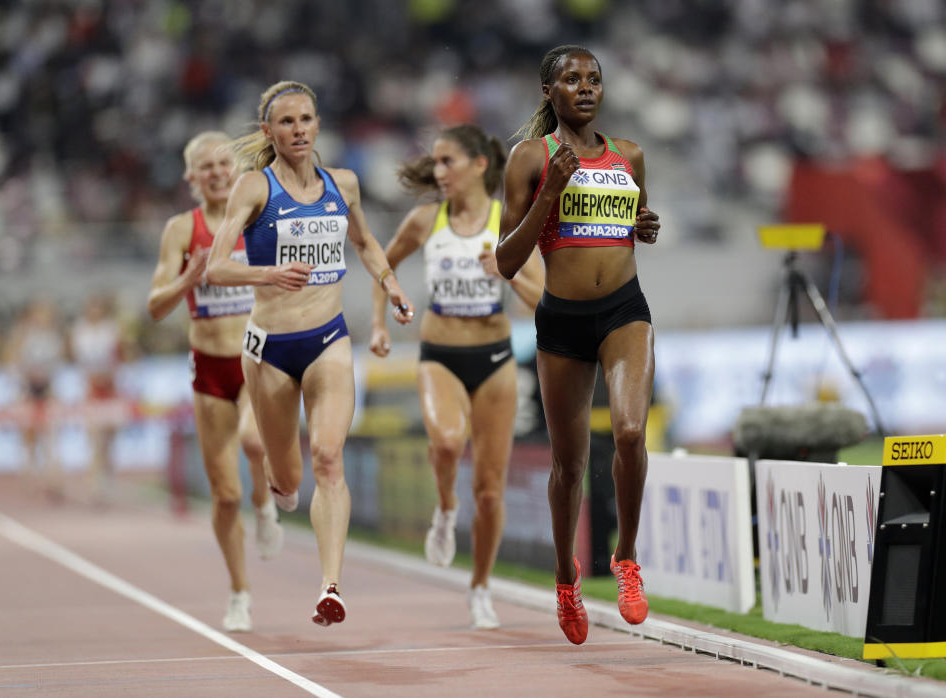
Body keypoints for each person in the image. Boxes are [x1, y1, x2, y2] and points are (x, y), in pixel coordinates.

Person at [206, 80, 414, 628]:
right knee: (290, 480)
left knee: (327, 458)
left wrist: (390, 284)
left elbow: (366, 242)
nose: (298, 130)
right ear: (268, 131)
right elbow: (215, 268)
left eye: (306, 120)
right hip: (270, 348)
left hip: (328, 339)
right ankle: (272, 496)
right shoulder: (254, 187)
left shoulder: (342, 184)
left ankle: (331, 587)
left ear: (318, 125)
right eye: (287, 122)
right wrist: (266, 272)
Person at [495, 45, 661, 645]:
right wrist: (548, 194)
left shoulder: (631, 156)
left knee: (630, 433)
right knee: (568, 465)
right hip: (562, 320)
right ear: (549, 92)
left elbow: (631, 228)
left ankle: (626, 559)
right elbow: (507, 260)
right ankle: (566, 577)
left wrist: (644, 226)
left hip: (624, 310)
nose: (585, 88)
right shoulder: (529, 159)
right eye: (572, 80)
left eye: (594, 79)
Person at [369, 125, 544, 630]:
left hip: (494, 359)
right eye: (437, 163)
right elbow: (382, 263)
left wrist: (505, 272)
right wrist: (382, 318)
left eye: (448, 162)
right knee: (446, 443)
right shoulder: (426, 220)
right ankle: (445, 509)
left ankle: (480, 588)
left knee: (490, 491)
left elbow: (543, 304)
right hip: (439, 354)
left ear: (479, 165)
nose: (439, 173)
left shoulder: (507, 225)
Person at [148, 130, 284, 633]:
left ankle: (266, 503)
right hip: (207, 367)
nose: (217, 173)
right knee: (223, 494)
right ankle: (239, 591)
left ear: (238, 169)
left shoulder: (258, 217)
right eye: (205, 166)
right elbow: (155, 305)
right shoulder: (182, 229)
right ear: (191, 178)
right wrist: (189, 278)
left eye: (224, 164)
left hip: (256, 354)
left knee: (254, 440)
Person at [3, 299, 66, 500]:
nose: (43, 318)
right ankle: (29, 482)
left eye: (46, 314)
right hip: (28, 391)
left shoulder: (54, 338)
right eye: (39, 314)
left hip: (47, 391)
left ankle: (51, 481)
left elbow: (58, 365)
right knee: (29, 439)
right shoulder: (23, 336)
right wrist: (20, 382)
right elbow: (12, 362)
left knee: (50, 438)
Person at [69, 293, 128, 504]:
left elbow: (121, 356)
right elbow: (75, 359)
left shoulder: (111, 329)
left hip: (111, 389)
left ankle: (108, 477)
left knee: (109, 440)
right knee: (94, 439)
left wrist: (113, 372)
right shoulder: (79, 331)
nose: (95, 312)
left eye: (98, 308)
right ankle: (96, 485)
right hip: (91, 390)